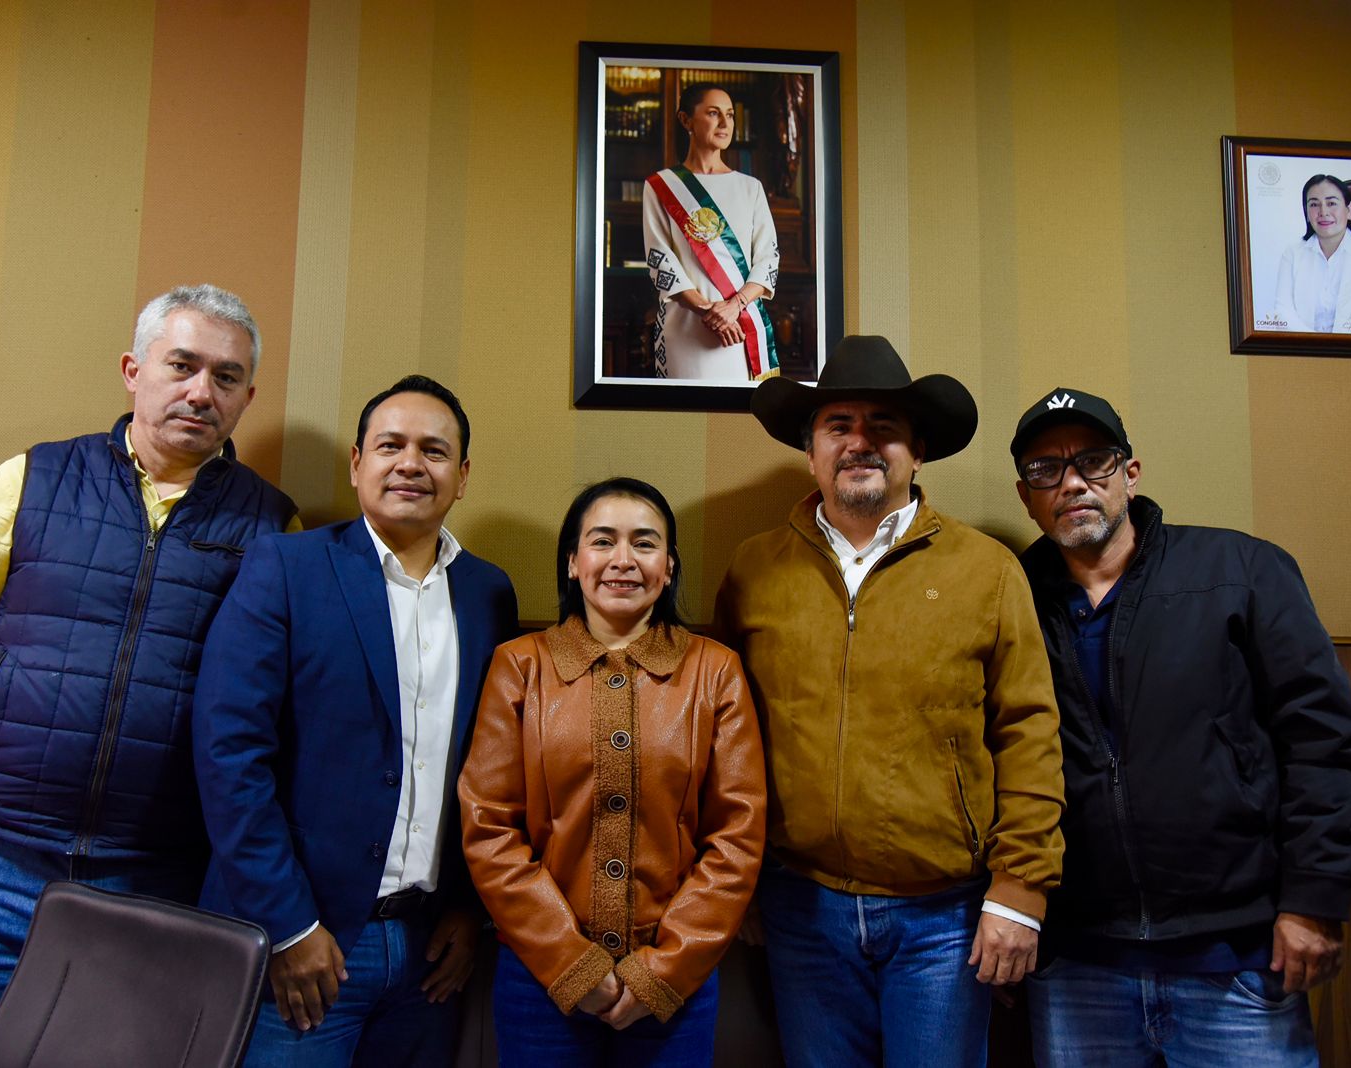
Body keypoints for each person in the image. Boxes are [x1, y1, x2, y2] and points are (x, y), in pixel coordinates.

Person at [0, 284, 298, 1066]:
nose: (202, 392)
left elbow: (275, 718)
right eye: (182, 365)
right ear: (133, 370)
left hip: (156, 883)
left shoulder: (273, 526)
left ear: (247, 398)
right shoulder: (32, 480)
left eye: (226, 377)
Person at [712, 336, 1065, 1067]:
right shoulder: (752, 569)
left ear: (917, 452)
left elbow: (1029, 731)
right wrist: (736, 880)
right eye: (838, 425)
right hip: (799, 907)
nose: (860, 442)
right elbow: (721, 739)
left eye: (885, 426)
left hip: (945, 916)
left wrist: (1020, 888)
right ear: (810, 451)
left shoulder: (988, 570)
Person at [1009, 386, 1351, 1067]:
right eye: (1046, 470)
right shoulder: (1008, 595)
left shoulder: (1240, 570)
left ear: (1130, 473)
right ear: (1027, 497)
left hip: (1237, 961)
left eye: (1094, 461)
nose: (1073, 482)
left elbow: (1322, 742)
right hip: (1076, 966)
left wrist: (1314, 899)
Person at [192, 375, 518, 1067]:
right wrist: (288, 927)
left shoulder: (488, 592)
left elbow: (491, 768)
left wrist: (469, 909)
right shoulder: (288, 566)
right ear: (356, 463)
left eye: (434, 451)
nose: (410, 464)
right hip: (304, 942)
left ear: (462, 477)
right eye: (390, 446)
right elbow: (229, 755)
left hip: (430, 952)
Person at [459, 477, 765, 1066]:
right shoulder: (519, 666)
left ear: (668, 567)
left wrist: (664, 970)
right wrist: (569, 963)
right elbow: (488, 826)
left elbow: (738, 835)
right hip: (539, 977)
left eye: (644, 543)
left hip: (676, 979)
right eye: (602, 541)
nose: (623, 560)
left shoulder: (716, 671)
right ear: (573, 563)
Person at [642, 81, 781, 381]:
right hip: (686, 329)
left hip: (740, 326)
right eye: (714, 113)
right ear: (686, 120)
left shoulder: (750, 188)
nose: (725, 124)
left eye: (730, 115)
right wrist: (709, 312)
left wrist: (733, 307)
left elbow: (768, 259)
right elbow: (660, 259)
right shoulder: (661, 186)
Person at [1269, 173, 1351, 334]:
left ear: (1349, 210)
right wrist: (1316, 344)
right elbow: (1283, 312)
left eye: (1331, 203)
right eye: (1314, 204)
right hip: (1301, 347)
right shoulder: (1292, 254)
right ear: (1306, 212)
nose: (1323, 211)